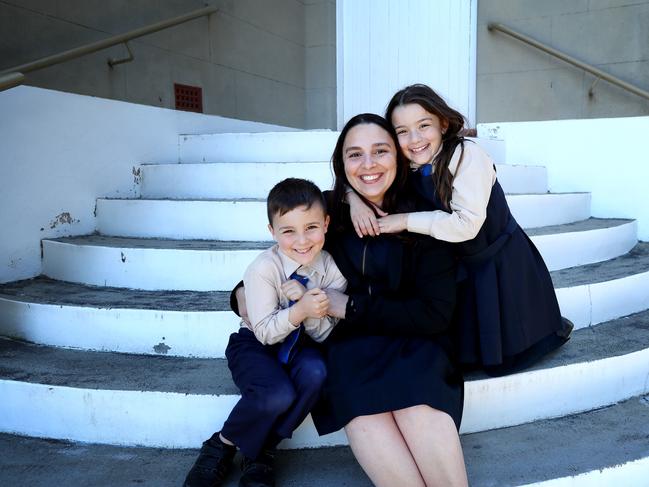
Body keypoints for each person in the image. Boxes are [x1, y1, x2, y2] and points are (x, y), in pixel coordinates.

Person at [347, 84, 572, 376]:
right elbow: (356, 177)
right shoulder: (410, 163)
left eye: (423, 126)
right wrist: (353, 199)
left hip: (497, 260)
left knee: (507, 348)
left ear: (442, 123)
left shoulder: (466, 155)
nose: (414, 139)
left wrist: (404, 221)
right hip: (460, 264)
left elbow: (466, 224)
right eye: (402, 131)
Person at [314, 114, 467, 486]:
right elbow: (282, 259)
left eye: (381, 151)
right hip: (351, 350)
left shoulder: (424, 217)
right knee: (365, 415)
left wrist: (348, 307)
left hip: (417, 343)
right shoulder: (326, 211)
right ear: (341, 163)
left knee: (417, 409)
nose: (368, 165)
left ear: (398, 158)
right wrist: (243, 296)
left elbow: (434, 314)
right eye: (355, 155)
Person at [184, 178, 347, 487]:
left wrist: (308, 306)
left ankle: (261, 451)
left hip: (302, 344)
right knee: (277, 393)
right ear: (272, 231)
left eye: (311, 227)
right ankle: (222, 444)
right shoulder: (263, 268)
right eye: (288, 231)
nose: (302, 240)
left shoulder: (330, 269)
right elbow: (265, 334)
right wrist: (297, 311)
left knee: (316, 372)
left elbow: (325, 335)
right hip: (255, 345)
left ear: (326, 223)